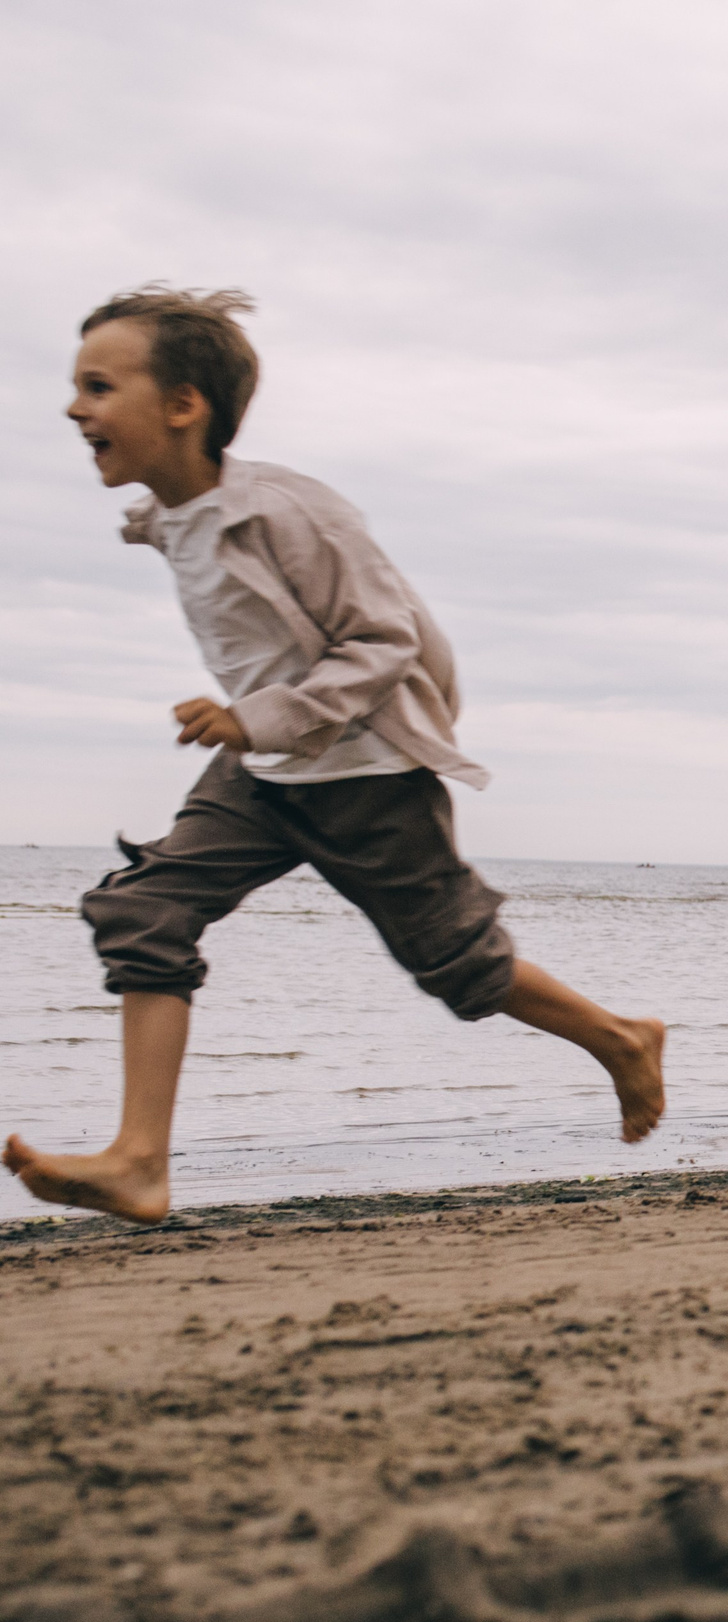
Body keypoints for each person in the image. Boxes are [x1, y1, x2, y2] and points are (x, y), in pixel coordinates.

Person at [4, 286, 667, 1227]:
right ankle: (138, 1161)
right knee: (142, 909)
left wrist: (258, 715)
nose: (76, 408)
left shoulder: (285, 511)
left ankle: (621, 1038)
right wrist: (254, 732)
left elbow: (384, 637)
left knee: (459, 970)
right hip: (264, 775)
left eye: (100, 386)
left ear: (184, 405)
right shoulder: (172, 511)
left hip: (366, 777)